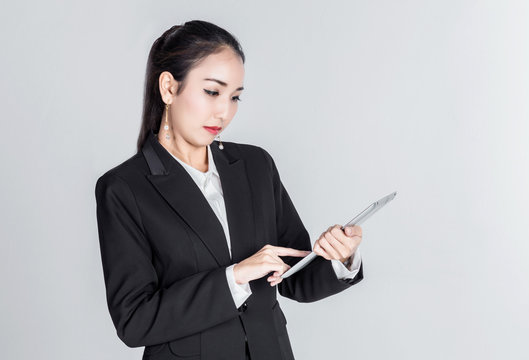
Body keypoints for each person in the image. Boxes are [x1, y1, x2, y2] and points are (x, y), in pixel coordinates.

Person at [95, 20, 364, 360]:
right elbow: (135, 321)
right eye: (212, 92)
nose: (224, 111)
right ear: (168, 88)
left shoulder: (256, 165)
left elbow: (296, 279)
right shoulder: (123, 188)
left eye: (235, 97)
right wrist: (234, 277)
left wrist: (341, 258)